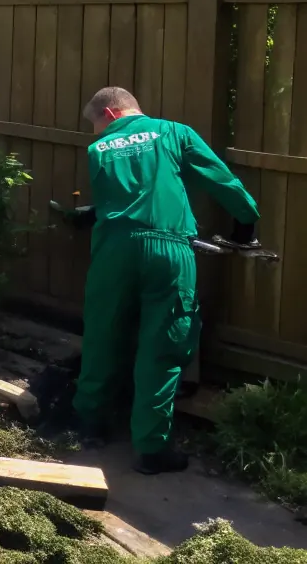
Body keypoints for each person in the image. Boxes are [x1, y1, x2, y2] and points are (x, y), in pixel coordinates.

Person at [66, 86, 259, 474]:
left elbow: (120, 197)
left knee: (103, 333)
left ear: (111, 113)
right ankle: (152, 450)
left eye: (97, 124)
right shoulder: (173, 132)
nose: (97, 134)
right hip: (166, 248)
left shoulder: (98, 150)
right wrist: (245, 220)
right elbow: (218, 178)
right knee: (163, 345)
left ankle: (89, 425)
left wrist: (91, 214)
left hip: (113, 251)